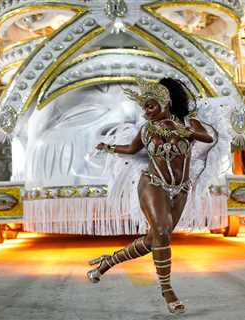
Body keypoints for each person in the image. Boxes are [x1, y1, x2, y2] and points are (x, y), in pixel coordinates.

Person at [86, 78, 214, 314]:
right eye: (144, 107)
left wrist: (183, 131)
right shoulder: (146, 129)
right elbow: (132, 150)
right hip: (152, 184)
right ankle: (168, 291)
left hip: (181, 189)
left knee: (153, 240)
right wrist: (109, 148)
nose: (146, 112)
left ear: (166, 103)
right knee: (163, 232)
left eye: (151, 106)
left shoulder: (188, 122)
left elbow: (208, 138)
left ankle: (106, 263)